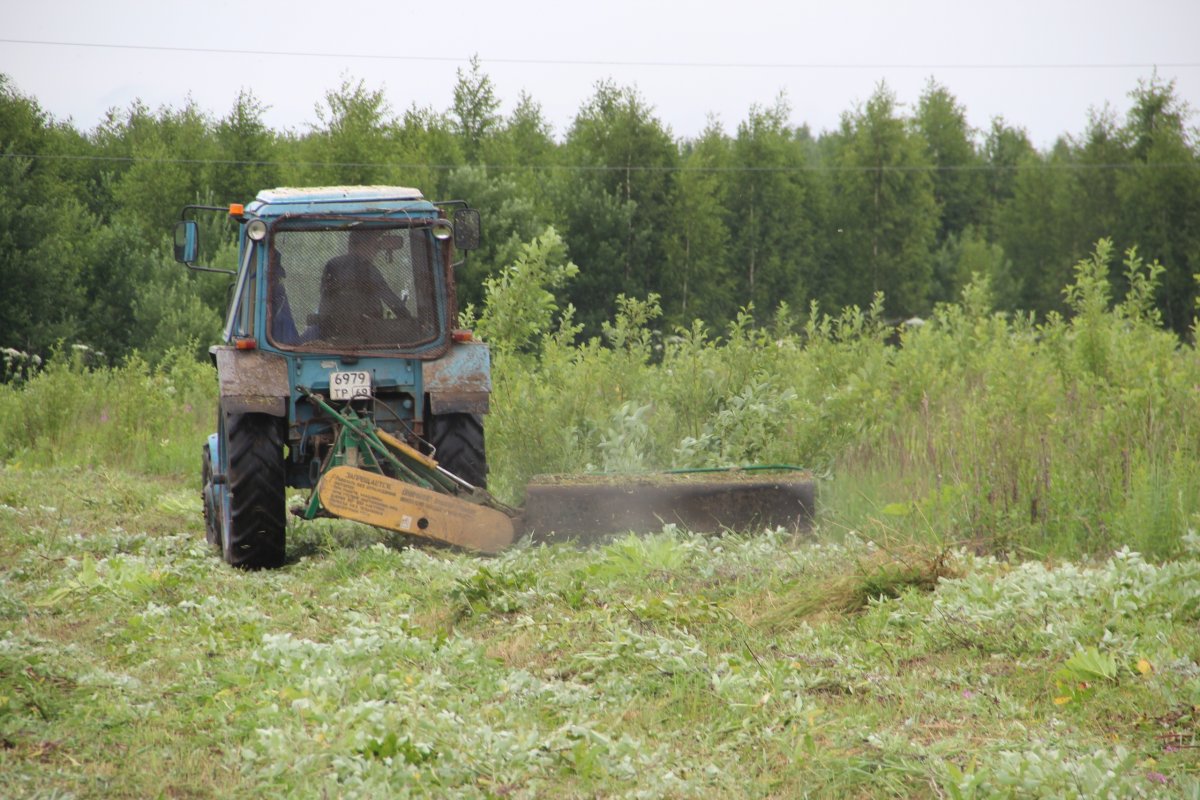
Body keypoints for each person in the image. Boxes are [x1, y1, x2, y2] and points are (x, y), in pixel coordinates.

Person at [317, 228, 412, 339]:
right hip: (364, 335)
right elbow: (389, 298)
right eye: (375, 246)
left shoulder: (332, 264)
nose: (376, 251)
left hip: (330, 333)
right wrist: (408, 319)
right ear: (363, 245)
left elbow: (324, 295)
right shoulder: (366, 268)